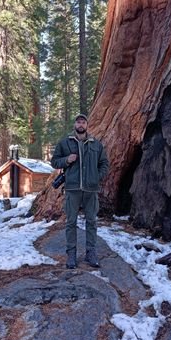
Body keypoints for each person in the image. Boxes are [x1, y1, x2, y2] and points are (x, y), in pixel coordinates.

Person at [51, 114, 109, 269]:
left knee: (92, 222)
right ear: (75, 125)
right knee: (71, 222)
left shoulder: (96, 144)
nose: (81, 124)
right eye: (78, 122)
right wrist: (66, 160)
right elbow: (54, 161)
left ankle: (91, 253)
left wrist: (97, 177)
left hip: (91, 190)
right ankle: (71, 254)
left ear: (87, 125)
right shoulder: (65, 143)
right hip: (72, 189)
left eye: (83, 122)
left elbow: (104, 163)